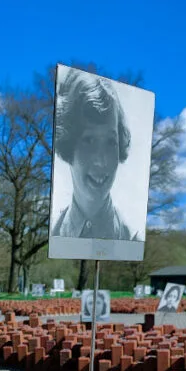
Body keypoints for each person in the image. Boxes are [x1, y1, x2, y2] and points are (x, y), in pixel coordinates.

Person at [52, 68, 138, 241]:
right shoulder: (54, 235)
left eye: (111, 142)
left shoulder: (133, 239)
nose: (101, 161)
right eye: (89, 140)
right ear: (69, 145)